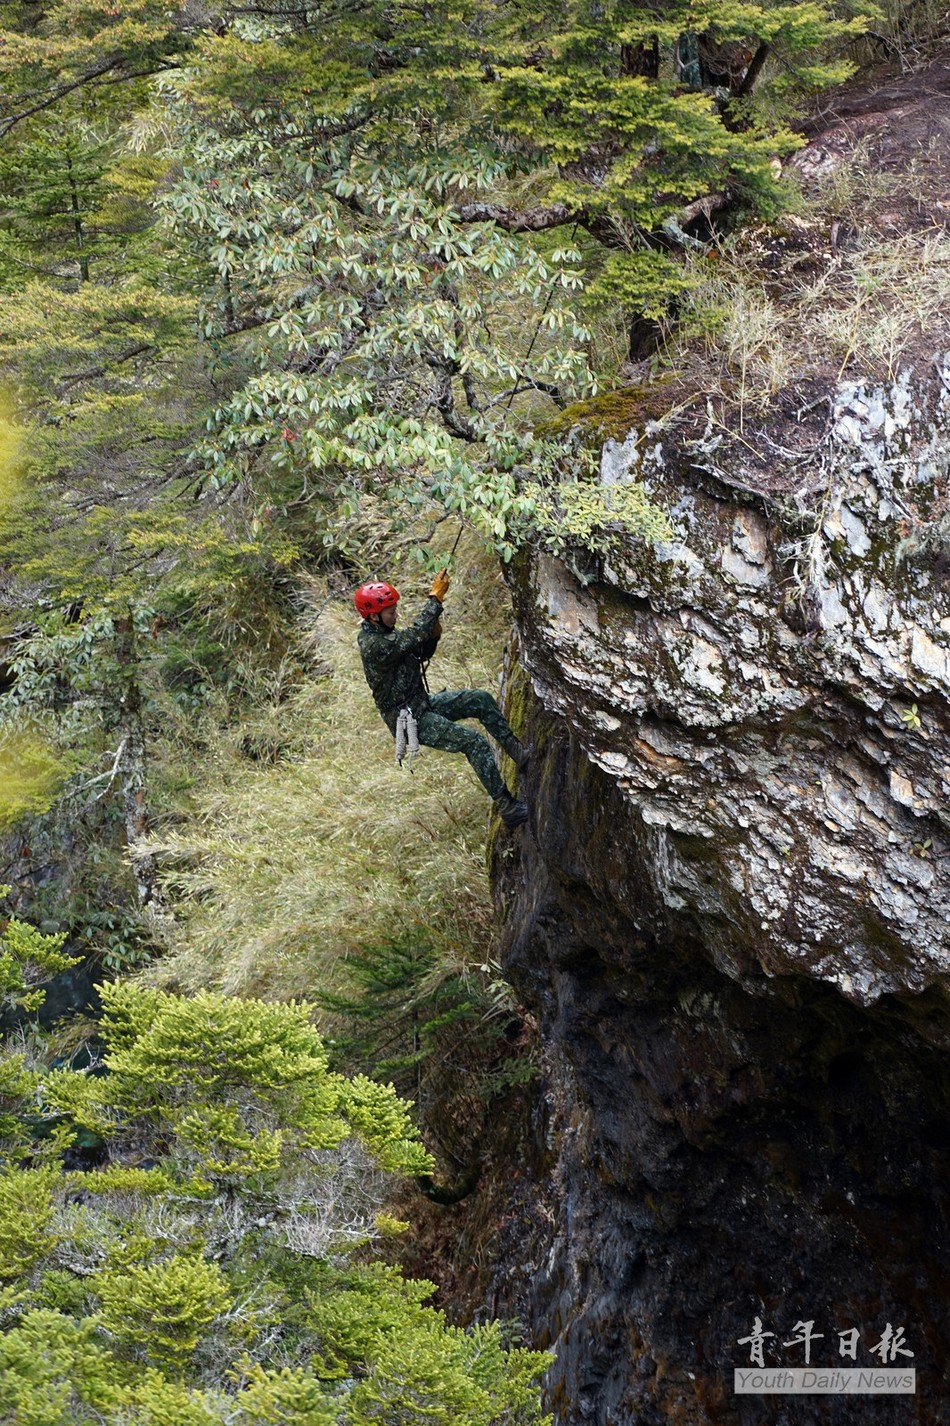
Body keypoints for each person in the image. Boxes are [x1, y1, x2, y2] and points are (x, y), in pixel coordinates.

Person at [355, 571, 530, 829]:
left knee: (479, 700)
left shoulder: (386, 634)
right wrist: (435, 599)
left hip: (421, 705)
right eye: (390, 612)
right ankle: (508, 807)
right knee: (474, 742)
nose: (396, 615)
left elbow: (418, 650)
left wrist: (433, 636)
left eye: (395, 610)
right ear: (373, 616)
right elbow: (413, 637)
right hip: (409, 719)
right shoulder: (373, 644)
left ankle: (518, 753)